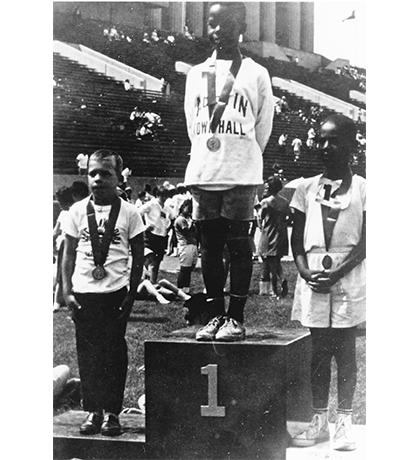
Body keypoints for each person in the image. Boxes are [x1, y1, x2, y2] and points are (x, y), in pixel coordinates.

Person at [184, 2, 274, 341]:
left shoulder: (256, 72)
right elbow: (193, 125)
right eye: (211, 23)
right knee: (208, 246)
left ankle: (235, 317)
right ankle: (215, 315)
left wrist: (244, 155)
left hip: (240, 172)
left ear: (240, 25)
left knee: (238, 245)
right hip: (205, 171)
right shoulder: (195, 74)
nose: (217, 30)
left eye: (225, 23)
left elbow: (263, 125)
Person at [289, 114, 366, 451]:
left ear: (351, 145)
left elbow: (368, 241)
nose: (325, 147)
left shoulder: (365, 187)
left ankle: (344, 423)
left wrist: (338, 272)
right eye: (320, 139)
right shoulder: (306, 187)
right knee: (318, 352)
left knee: (345, 351)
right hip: (314, 279)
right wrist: (305, 272)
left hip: (348, 276)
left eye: (334, 140)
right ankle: (319, 421)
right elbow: (295, 239)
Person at [62, 149, 145, 437]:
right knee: (88, 354)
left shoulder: (131, 212)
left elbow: (137, 255)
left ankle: (112, 412)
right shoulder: (75, 211)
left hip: (114, 293)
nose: (98, 179)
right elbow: (68, 254)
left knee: (113, 352)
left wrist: (132, 293)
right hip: (84, 293)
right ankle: (93, 410)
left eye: (105, 173)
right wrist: (67, 291)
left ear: (118, 178)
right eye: (93, 173)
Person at [257, 176, 290, 299]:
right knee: (276, 261)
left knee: (270, 263)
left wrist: (262, 228)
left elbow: (260, 218)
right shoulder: (285, 201)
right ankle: (283, 279)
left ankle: (274, 291)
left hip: (269, 233)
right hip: (281, 233)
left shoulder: (266, 202)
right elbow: (289, 215)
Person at [138, 185, 175, 284]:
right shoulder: (151, 204)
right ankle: (143, 279)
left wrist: (168, 228)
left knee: (157, 261)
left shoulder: (167, 207)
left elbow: (173, 218)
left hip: (161, 236)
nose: (164, 198)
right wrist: (144, 227)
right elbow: (137, 213)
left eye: (166, 196)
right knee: (149, 257)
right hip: (150, 235)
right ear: (157, 195)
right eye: (162, 196)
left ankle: (153, 282)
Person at [53, 186, 75, 312]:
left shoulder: (71, 212)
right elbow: (55, 231)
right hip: (69, 244)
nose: (59, 204)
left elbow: (55, 232)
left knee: (63, 273)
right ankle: (58, 302)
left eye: (60, 201)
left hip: (67, 245)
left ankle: (58, 302)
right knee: (64, 273)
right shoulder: (67, 212)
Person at [174, 199, 198, 294]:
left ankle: (186, 287)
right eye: (188, 208)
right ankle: (180, 288)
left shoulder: (188, 219)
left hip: (192, 244)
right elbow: (187, 231)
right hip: (185, 245)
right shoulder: (180, 219)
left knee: (190, 267)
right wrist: (192, 223)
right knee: (185, 268)